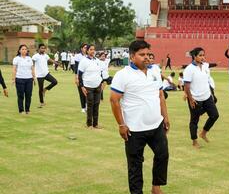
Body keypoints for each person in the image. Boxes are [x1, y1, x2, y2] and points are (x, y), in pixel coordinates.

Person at [110, 40, 170, 194]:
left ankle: (156, 187)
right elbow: (114, 100)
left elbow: (161, 95)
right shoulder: (122, 75)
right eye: (141, 54)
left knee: (163, 155)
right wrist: (121, 125)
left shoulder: (154, 71)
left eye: (148, 54)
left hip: (156, 124)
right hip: (134, 129)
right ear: (132, 56)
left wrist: (165, 117)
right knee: (135, 164)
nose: (146, 57)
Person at [183, 47, 219, 148]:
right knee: (194, 120)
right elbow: (186, 86)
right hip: (195, 98)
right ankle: (194, 141)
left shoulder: (205, 66)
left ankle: (203, 133)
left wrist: (211, 93)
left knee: (214, 115)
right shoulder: (189, 69)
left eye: (203, 55)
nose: (203, 57)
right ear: (194, 56)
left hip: (207, 97)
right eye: (200, 55)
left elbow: (207, 81)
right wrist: (190, 99)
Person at [78, 44, 110, 128]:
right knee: (90, 105)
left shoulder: (97, 61)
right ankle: (89, 124)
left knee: (97, 104)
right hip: (88, 86)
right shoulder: (84, 61)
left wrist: (104, 81)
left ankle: (95, 124)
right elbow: (79, 75)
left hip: (97, 86)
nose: (93, 51)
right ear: (87, 51)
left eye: (93, 49)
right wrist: (82, 86)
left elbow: (102, 72)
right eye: (91, 49)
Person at [32, 44, 58, 108]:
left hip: (46, 73)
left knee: (55, 82)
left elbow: (50, 60)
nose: (43, 49)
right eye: (41, 48)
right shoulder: (35, 56)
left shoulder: (46, 55)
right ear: (38, 49)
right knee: (40, 89)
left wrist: (56, 63)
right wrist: (32, 73)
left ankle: (45, 89)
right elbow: (32, 63)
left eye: (44, 48)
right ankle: (42, 102)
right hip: (39, 75)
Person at [12, 44, 35, 114]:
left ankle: (27, 110)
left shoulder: (29, 58)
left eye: (25, 49)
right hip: (19, 79)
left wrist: (34, 78)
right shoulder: (16, 59)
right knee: (21, 95)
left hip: (29, 79)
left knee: (28, 95)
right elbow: (14, 70)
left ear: (27, 50)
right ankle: (21, 110)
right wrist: (13, 79)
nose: (24, 50)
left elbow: (32, 69)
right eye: (22, 49)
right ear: (19, 50)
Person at [74, 44, 87, 113]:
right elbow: (76, 68)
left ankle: (87, 105)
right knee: (81, 93)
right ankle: (83, 107)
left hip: (87, 77)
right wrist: (76, 78)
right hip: (80, 76)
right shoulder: (78, 56)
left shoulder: (89, 56)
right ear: (81, 48)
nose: (86, 49)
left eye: (86, 48)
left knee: (88, 92)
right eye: (84, 48)